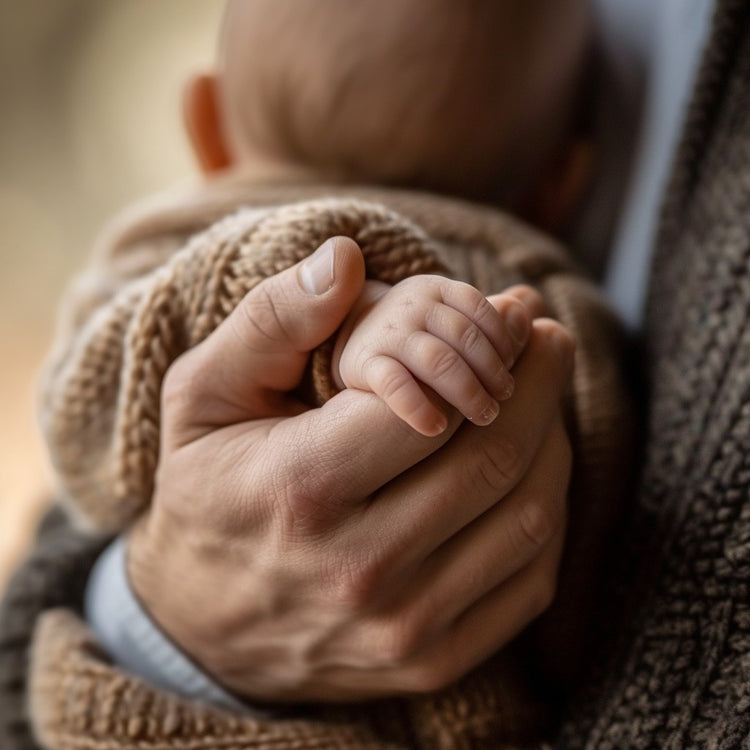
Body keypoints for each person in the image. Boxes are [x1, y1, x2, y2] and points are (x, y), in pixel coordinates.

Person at [14, 0, 750, 747]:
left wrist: (343, 334)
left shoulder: (161, 270)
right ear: (560, 184)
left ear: (206, 125)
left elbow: (86, 432)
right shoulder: (554, 324)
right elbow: (604, 559)